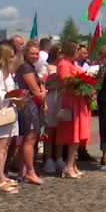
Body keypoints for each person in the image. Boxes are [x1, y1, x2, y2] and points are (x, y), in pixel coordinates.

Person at [55, 40, 91, 179]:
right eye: (77, 49)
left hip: (79, 102)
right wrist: (82, 91)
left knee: (78, 135)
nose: (78, 51)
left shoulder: (73, 64)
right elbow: (66, 84)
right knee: (73, 135)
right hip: (71, 102)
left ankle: (72, 164)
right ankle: (68, 165)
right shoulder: (64, 64)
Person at [15, 40, 47, 185]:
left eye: (36, 54)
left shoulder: (31, 67)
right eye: (32, 53)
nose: (34, 56)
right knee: (29, 140)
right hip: (29, 106)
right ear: (25, 53)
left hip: (34, 104)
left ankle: (22, 169)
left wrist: (43, 91)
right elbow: (35, 89)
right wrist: (43, 92)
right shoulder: (25, 67)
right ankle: (30, 171)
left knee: (29, 140)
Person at [0, 43, 20, 193]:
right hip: (1, 113)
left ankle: (1, 174)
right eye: (10, 56)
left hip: (10, 113)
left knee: (6, 147)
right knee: (0, 148)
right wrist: (11, 99)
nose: (13, 59)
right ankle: (0, 179)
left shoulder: (8, 73)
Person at [42, 44, 65, 174]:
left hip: (61, 99)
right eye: (61, 54)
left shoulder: (63, 67)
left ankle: (59, 157)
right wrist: (52, 86)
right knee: (50, 132)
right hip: (50, 99)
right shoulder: (46, 67)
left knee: (60, 131)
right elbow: (41, 84)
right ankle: (48, 159)